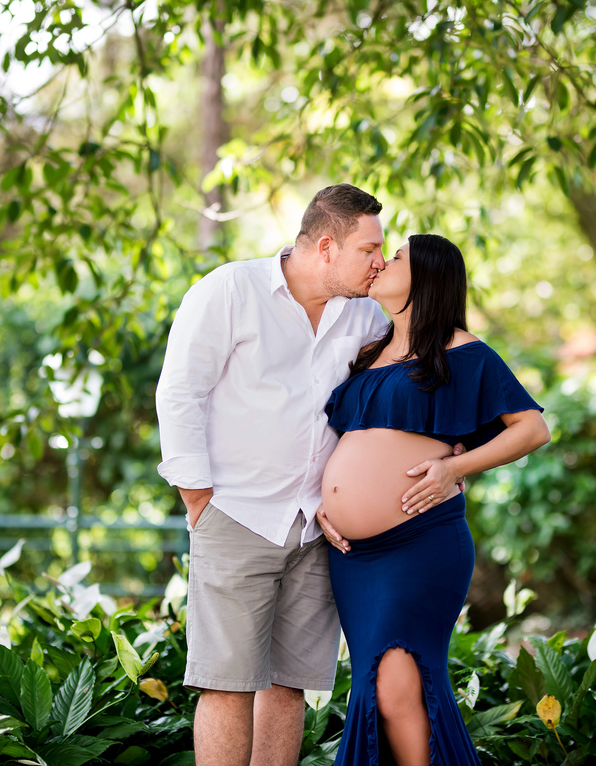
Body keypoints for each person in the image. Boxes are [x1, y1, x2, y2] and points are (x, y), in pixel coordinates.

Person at [155, 184, 392, 766]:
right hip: (235, 514)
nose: (380, 262)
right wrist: (198, 497)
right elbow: (181, 391)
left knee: (290, 685)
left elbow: (398, 386)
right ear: (328, 246)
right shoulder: (231, 290)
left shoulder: (363, 313)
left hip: (317, 526)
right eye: (370, 249)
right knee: (227, 683)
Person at [319, 234, 551, 766]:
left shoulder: (462, 351)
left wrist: (455, 467)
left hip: (420, 542)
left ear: (427, 275)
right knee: (377, 690)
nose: (381, 262)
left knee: (400, 682)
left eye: (395, 256)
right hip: (354, 558)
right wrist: (325, 505)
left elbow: (532, 429)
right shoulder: (368, 353)